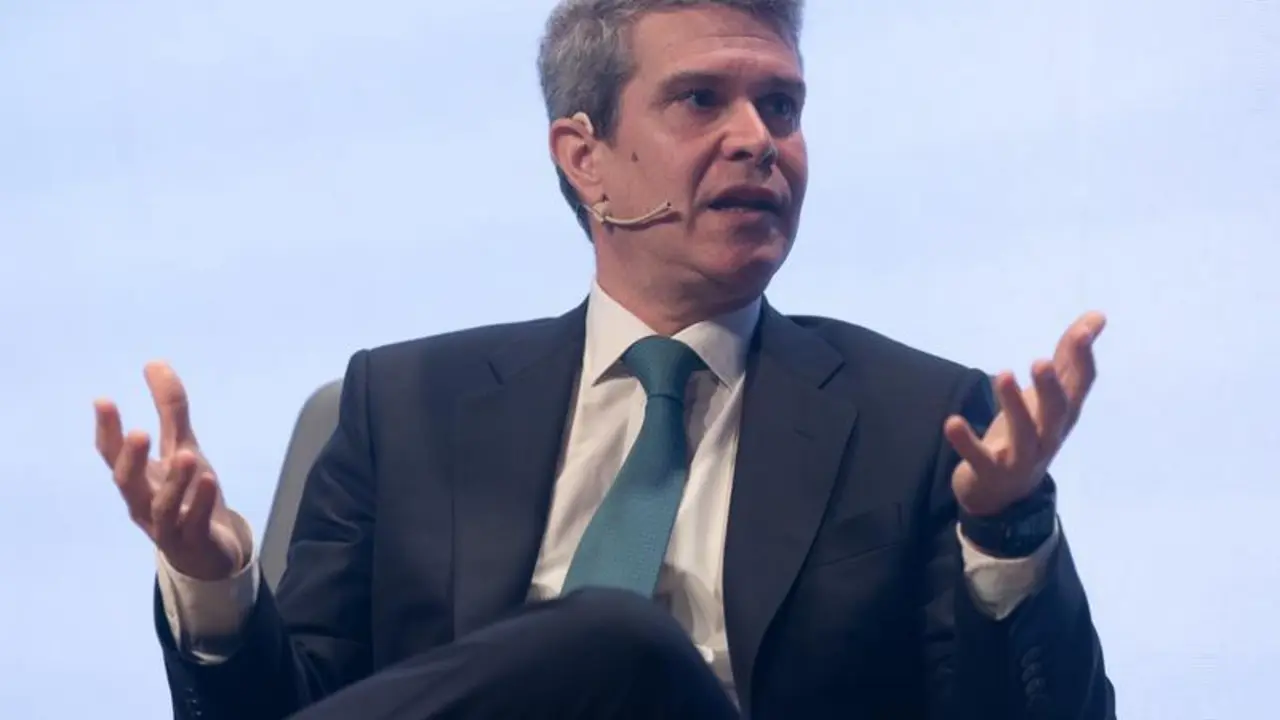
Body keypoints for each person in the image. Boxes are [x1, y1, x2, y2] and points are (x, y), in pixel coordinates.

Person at [93, 1, 1116, 718]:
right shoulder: (402, 409)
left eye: (782, 107)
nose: (757, 140)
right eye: (701, 101)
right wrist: (213, 584)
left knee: (616, 641)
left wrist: (1007, 533)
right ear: (583, 158)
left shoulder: (916, 421)